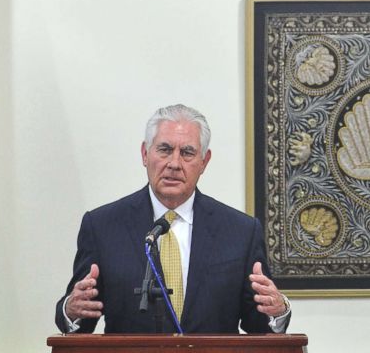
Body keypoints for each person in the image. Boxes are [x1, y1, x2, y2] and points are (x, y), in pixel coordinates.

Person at [55, 104, 290, 334]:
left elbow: (258, 325)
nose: (174, 164)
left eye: (187, 153)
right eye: (165, 150)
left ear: (204, 162)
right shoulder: (102, 227)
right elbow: (81, 319)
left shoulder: (241, 232)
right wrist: (72, 310)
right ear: (145, 154)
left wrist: (277, 311)